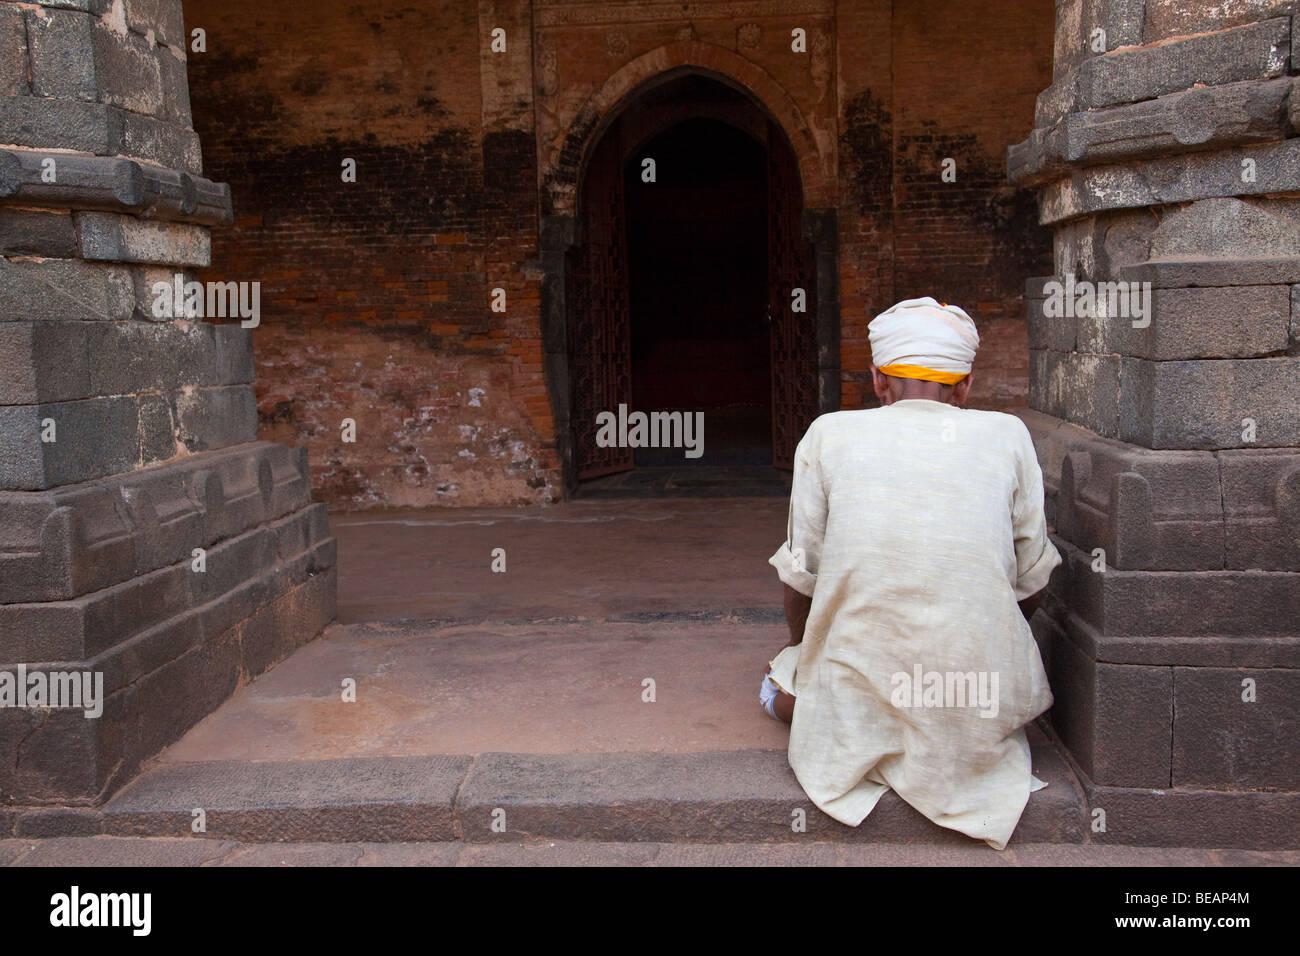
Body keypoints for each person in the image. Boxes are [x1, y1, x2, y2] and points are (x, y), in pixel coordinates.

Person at [759, 296, 1060, 850]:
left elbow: (802, 574)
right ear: (965, 385)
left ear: (878, 381)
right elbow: (1032, 578)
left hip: (860, 680)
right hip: (978, 692)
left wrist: (803, 650)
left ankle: (835, 716)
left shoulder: (829, 433)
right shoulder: (1007, 435)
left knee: (777, 688)